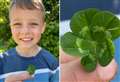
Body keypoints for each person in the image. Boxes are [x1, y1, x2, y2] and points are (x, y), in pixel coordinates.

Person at [0, 0, 59, 82]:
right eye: (17, 24)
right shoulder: (1, 62)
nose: (25, 31)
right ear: (11, 27)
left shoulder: (52, 63)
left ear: (43, 27)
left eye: (33, 24)